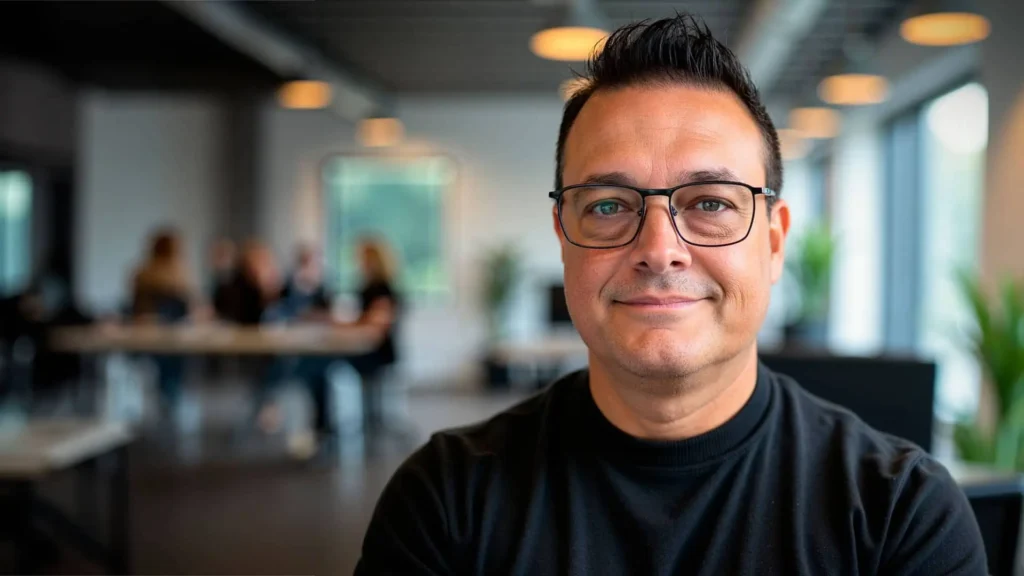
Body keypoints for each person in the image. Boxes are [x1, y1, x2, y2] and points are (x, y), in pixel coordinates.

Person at [355, 15, 986, 575]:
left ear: (773, 243)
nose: (659, 249)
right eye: (607, 205)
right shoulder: (446, 499)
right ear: (563, 237)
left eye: (709, 202)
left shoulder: (899, 513)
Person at [130, 228, 194, 410]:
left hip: (145, 337)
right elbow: (186, 312)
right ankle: (172, 404)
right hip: (169, 340)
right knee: (173, 369)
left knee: (167, 370)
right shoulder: (178, 277)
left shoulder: (141, 274)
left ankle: (169, 403)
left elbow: (135, 309)